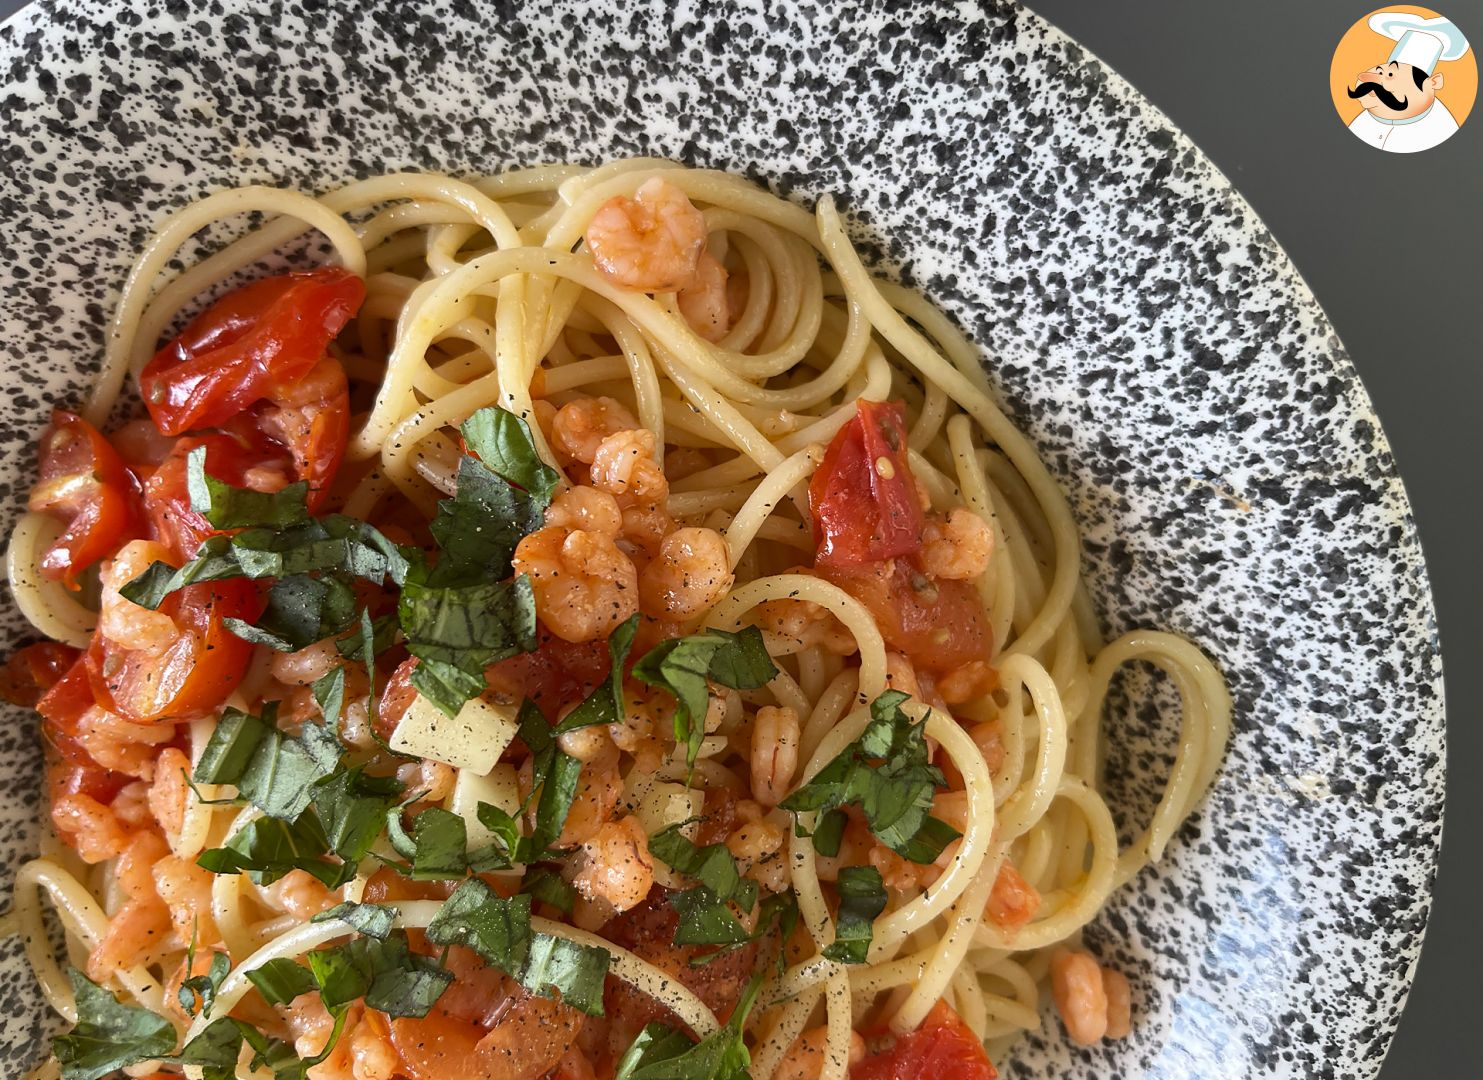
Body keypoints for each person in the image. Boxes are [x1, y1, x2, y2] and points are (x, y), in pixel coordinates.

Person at [1347, 11, 1470, 153]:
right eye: (1379, 71)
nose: (1375, 79)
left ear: (1433, 83)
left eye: (1391, 74)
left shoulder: (1439, 131)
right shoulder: (1362, 122)